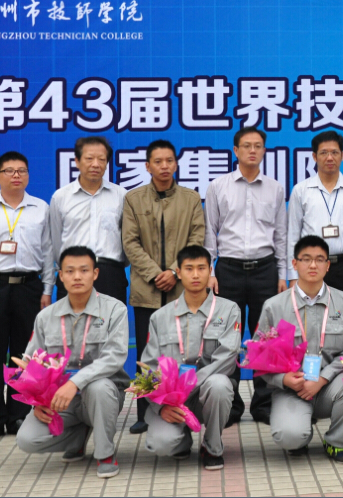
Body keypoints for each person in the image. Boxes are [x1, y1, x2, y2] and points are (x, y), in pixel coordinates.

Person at [15, 247, 130, 479]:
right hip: (60, 399)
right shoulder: (45, 317)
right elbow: (30, 364)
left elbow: (114, 356)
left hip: (102, 395)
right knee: (27, 439)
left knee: (99, 387)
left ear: (95, 274)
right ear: (61, 276)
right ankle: (78, 436)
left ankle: (105, 454)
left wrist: (75, 383)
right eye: (70, 271)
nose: (77, 277)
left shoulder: (115, 309)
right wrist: (38, 402)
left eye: (84, 270)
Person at [0, 151, 55, 445]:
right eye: (10, 171)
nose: (17, 175)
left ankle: (18, 414)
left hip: (30, 287)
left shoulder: (40, 208)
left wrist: (47, 290)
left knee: (24, 354)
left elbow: (48, 252)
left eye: (22, 171)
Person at [255, 235, 343, 464]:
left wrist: (323, 379)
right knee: (289, 438)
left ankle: (336, 441)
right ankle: (301, 432)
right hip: (292, 389)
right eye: (306, 259)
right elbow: (258, 357)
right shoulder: (274, 306)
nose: (313, 265)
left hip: (328, 387)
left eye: (319, 259)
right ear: (294, 264)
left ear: (328, 265)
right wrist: (284, 379)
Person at [205, 126, 288, 425]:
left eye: (258, 146)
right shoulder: (218, 186)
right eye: (246, 146)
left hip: (265, 269)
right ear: (235, 150)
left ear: (264, 150)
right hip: (228, 269)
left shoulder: (275, 188)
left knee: (267, 339)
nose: (252, 150)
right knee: (227, 339)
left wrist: (283, 273)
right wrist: (210, 270)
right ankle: (231, 405)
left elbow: (281, 235)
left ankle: (264, 404)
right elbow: (210, 232)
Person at [122, 139, 206, 434]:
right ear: (148, 166)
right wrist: (155, 273)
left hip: (181, 290)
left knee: (184, 350)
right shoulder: (133, 199)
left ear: (176, 164)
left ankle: (186, 406)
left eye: (169, 160)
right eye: (158, 162)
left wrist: (173, 271)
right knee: (147, 353)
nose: (164, 166)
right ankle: (145, 412)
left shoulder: (190, 199)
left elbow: (197, 239)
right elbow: (130, 242)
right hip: (146, 290)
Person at [142, 246, 242, 470]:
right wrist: (160, 407)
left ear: (210, 270)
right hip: (173, 401)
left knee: (220, 384)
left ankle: (212, 446)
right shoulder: (160, 317)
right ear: (178, 272)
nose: (195, 275)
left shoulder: (229, 310)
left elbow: (226, 359)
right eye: (189, 269)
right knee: (162, 445)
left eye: (201, 268)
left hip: (206, 395)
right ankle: (181, 439)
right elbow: (149, 367)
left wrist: (189, 384)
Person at [287, 131, 343, 300]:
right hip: (311, 266)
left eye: (334, 152)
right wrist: (292, 275)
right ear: (314, 156)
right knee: (309, 314)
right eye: (324, 153)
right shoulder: (301, 191)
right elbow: (293, 235)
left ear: (342, 156)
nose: (329, 158)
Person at [49, 136, 128, 303]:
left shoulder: (121, 196)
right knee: (71, 320)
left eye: (102, 159)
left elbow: (128, 238)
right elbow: (55, 242)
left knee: (111, 319)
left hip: (110, 274)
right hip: (73, 272)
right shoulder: (61, 197)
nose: (96, 164)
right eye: (89, 158)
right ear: (77, 161)